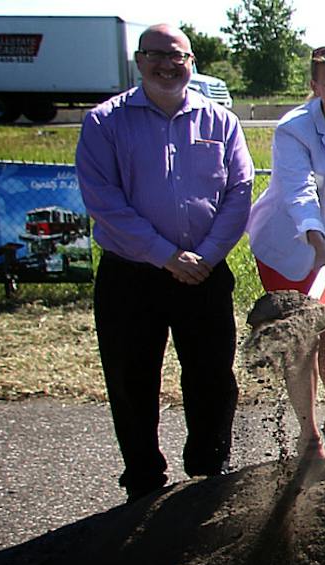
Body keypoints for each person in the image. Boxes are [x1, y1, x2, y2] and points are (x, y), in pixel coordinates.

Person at [74, 23, 252, 500]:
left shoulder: (221, 122)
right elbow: (104, 202)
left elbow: (239, 192)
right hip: (132, 277)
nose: (167, 65)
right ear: (139, 60)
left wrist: (207, 256)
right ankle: (144, 479)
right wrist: (166, 256)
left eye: (178, 57)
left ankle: (208, 469)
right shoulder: (104, 123)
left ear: (191, 63)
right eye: (156, 55)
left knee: (213, 376)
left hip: (205, 274)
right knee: (133, 380)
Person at [247, 44, 325, 459]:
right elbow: (300, 194)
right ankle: (308, 435)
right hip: (290, 246)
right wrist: (317, 242)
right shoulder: (292, 129)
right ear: (314, 86)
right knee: (302, 341)